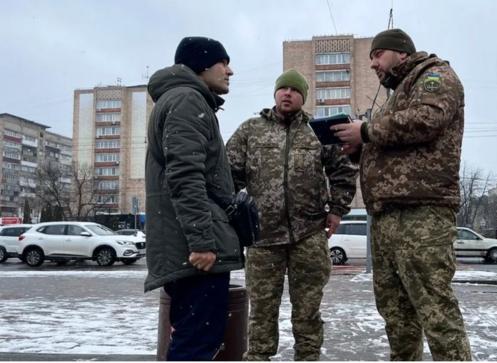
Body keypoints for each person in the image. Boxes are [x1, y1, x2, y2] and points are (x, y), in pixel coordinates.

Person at [331, 28, 472, 361]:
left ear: (401, 53)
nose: (373, 65)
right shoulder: (396, 95)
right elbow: (394, 148)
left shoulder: (435, 76)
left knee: (435, 310)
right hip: (386, 216)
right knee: (396, 313)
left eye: (377, 55)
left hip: (421, 212)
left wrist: (365, 130)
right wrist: (359, 149)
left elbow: (427, 119)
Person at [226, 69, 358, 360]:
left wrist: (337, 210)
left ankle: (307, 358)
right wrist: (235, 213)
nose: (288, 93)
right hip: (262, 238)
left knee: (308, 310)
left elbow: (343, 172)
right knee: (261, 312)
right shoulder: (251, 129)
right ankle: (259, 357)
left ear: (303, 97)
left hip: (308, 235)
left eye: (295, 90)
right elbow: (228, 175)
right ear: (275, 94)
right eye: (283, 88)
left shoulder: (318, 132)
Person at [144, 36, 244, 360]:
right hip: (196, 252)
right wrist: (202, 242)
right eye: (223, 62)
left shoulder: (184, 100)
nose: (230, 71)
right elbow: (186, 176)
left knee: (196, 339)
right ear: (201, 64)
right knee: (196, 345)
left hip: (188, 247)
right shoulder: (188, 101)